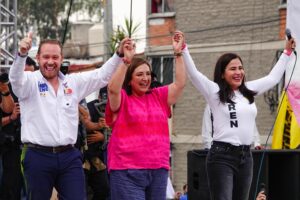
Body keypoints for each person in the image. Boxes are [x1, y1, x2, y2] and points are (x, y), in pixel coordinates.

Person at [8, 32, 128, 200]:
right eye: (46, 57)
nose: (50, 62)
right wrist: (21, 55)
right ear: (38, 58)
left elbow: (101, 76)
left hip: (69, 156)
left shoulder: (72, 82)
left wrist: (118, 54)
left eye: (55, 57)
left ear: (61, 58)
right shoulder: (29, 81)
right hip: (38, 156)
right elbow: (15, 80)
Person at [181, 30, 295, 200]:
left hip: (245, 156)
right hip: (221, 156)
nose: (238, 72)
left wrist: (287, 53)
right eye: (232, 69)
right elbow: (195, 75)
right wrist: (183, 48)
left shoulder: (248, 90)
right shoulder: (215, 92)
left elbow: (272, 79)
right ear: (222, 73)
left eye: (240, 68)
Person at [105, 32, 186, 200]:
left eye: (148, 74)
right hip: (126, 171)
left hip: (158, 170)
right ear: (129, 80)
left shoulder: (159, 95)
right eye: (140, 74)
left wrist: (178, 53)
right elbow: (112, 89)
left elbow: (179, 84)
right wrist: (126, 61)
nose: (145, 78)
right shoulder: (123, 98)